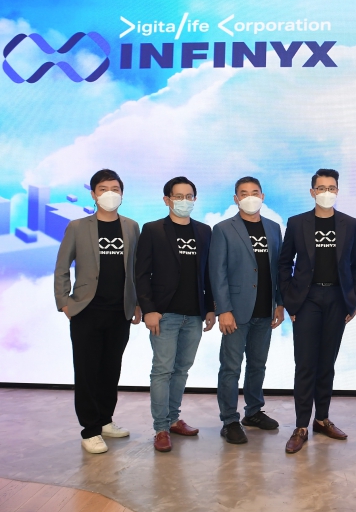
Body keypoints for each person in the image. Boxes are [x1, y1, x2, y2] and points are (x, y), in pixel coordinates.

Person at [54, 169, 141, 454]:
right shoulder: (78, 226)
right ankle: (90, 430)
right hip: (86, 310)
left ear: (122, 193)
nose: (109, 194)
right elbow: (62, 266)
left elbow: (136, 269)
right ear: (93, 194)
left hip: (120, 312)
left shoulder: (131, 226)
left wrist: (137, 303)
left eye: (115, 188)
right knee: (87, 372)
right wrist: (64, 302)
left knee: (110, 370)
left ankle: (105, 420)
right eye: (103, 189)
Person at [279, 169, 356, 454]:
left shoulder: (350, 224)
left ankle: (322, 419)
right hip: (307, 300)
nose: (326, 192)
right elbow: (284, 263)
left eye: (331, 187)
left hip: (337, 299)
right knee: (305, 364)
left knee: (327, 363)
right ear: (312, 192)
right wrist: (291, 301)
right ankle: (301, 426)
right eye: (321, 187)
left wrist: (353, 300)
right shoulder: (297, 223)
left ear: (337, 191)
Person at [135, 177, 216, 453]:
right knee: (162, 370)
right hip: (164, 314)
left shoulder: (204, 231)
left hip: (194, 314)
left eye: (189, 196)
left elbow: (208, 272)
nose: (184, 201)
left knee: (181, 370)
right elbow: (141, 273)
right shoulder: (153, 230)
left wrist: (210, 307)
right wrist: (149, 309)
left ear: (195, 199)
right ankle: (160, 428)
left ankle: (172, 419)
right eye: (178, 196)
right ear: (166, 200)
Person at [209, 176, 284, 445]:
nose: (250, 197)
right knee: (230, 367)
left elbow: (278, 269)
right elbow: (217, 273)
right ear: (236, 198)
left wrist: (279, 303)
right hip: (236, 311)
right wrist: (223, 310)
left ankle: (253, 412)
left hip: (265, 309)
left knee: (257, 365)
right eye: (244, 193)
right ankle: (229, 419)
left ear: (262, 196)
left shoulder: (274, 228)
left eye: (255, 192)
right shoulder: (223, 229)